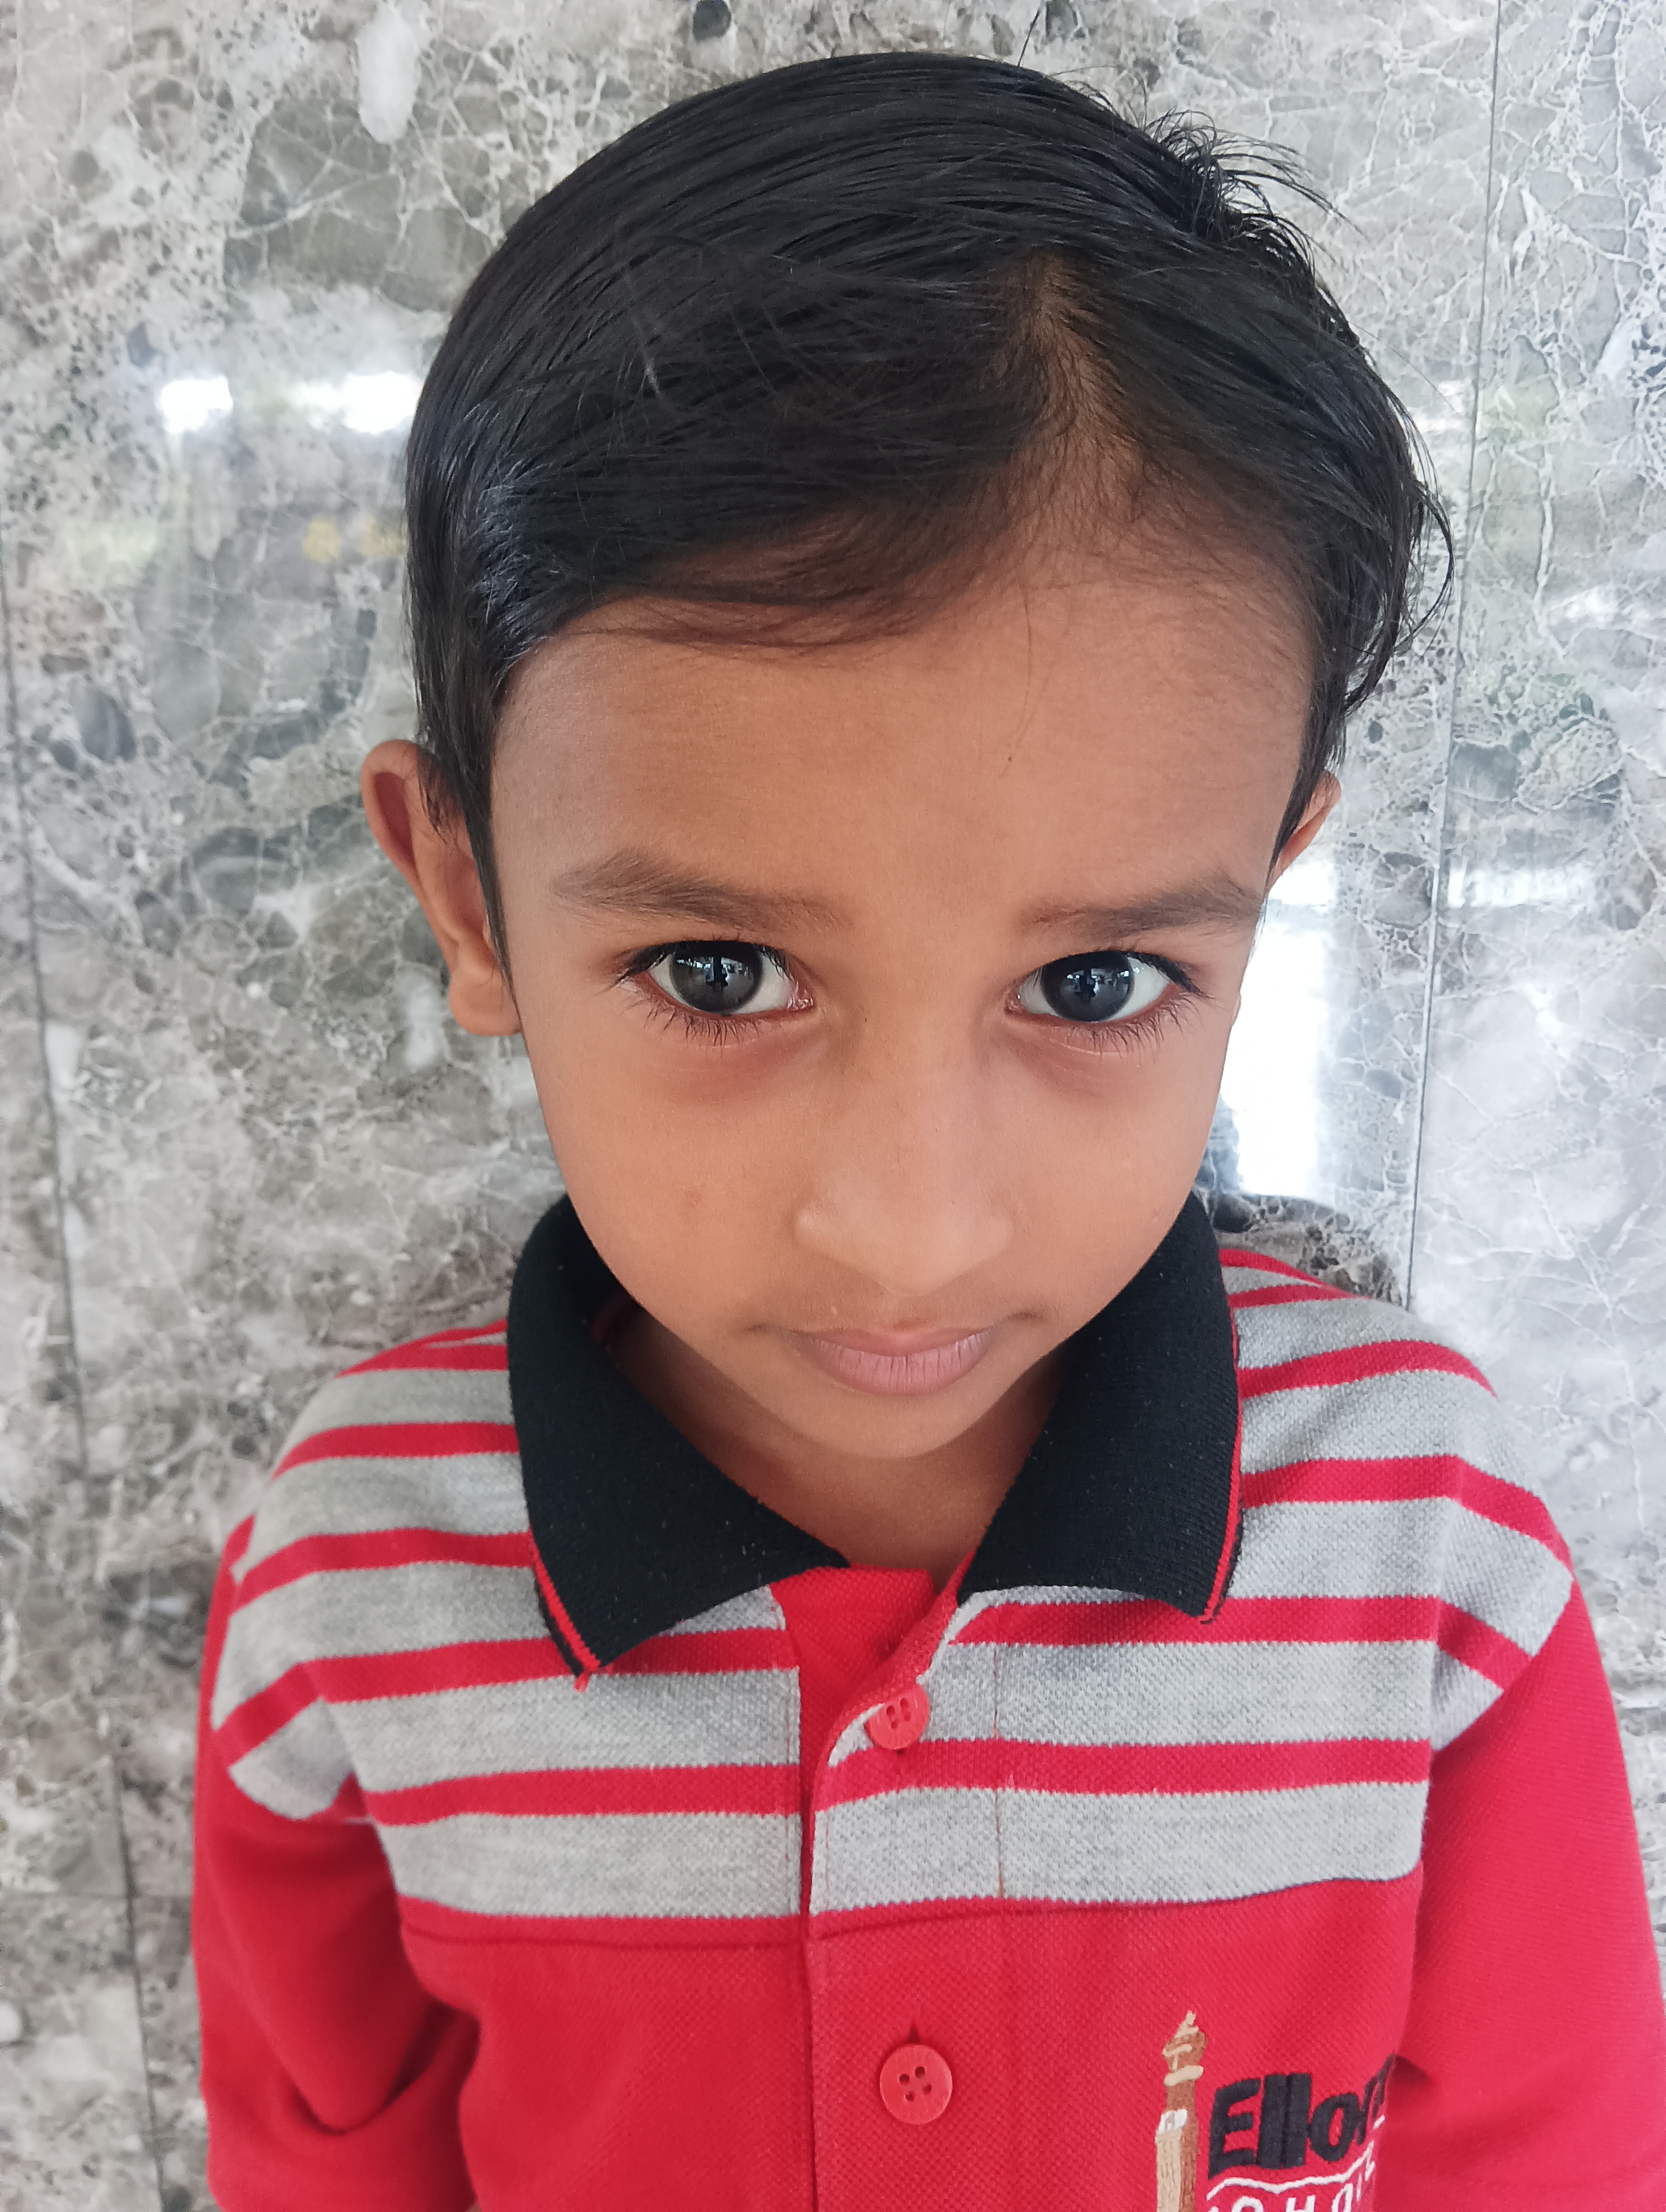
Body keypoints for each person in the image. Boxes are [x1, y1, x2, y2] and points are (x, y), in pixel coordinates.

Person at [190, 50, 1666, 2212]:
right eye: (719, 974)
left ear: (1264, 892)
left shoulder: (1425, 1555)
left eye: (1094, 987)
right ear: (470, 898)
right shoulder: (356, 1581)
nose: (908, 1228)